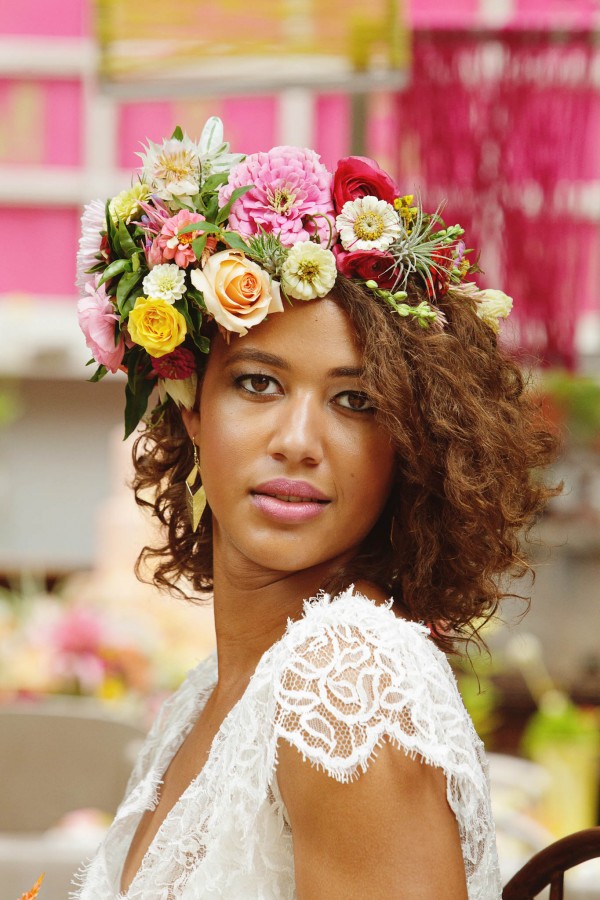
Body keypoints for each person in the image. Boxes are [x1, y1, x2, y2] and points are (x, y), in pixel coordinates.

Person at [72, 118, 556, 899]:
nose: (298, 441)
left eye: (355, 400)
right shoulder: (211, 692)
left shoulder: (344, 681)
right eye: (258, 383)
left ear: (411, 442)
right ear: (191, 406)